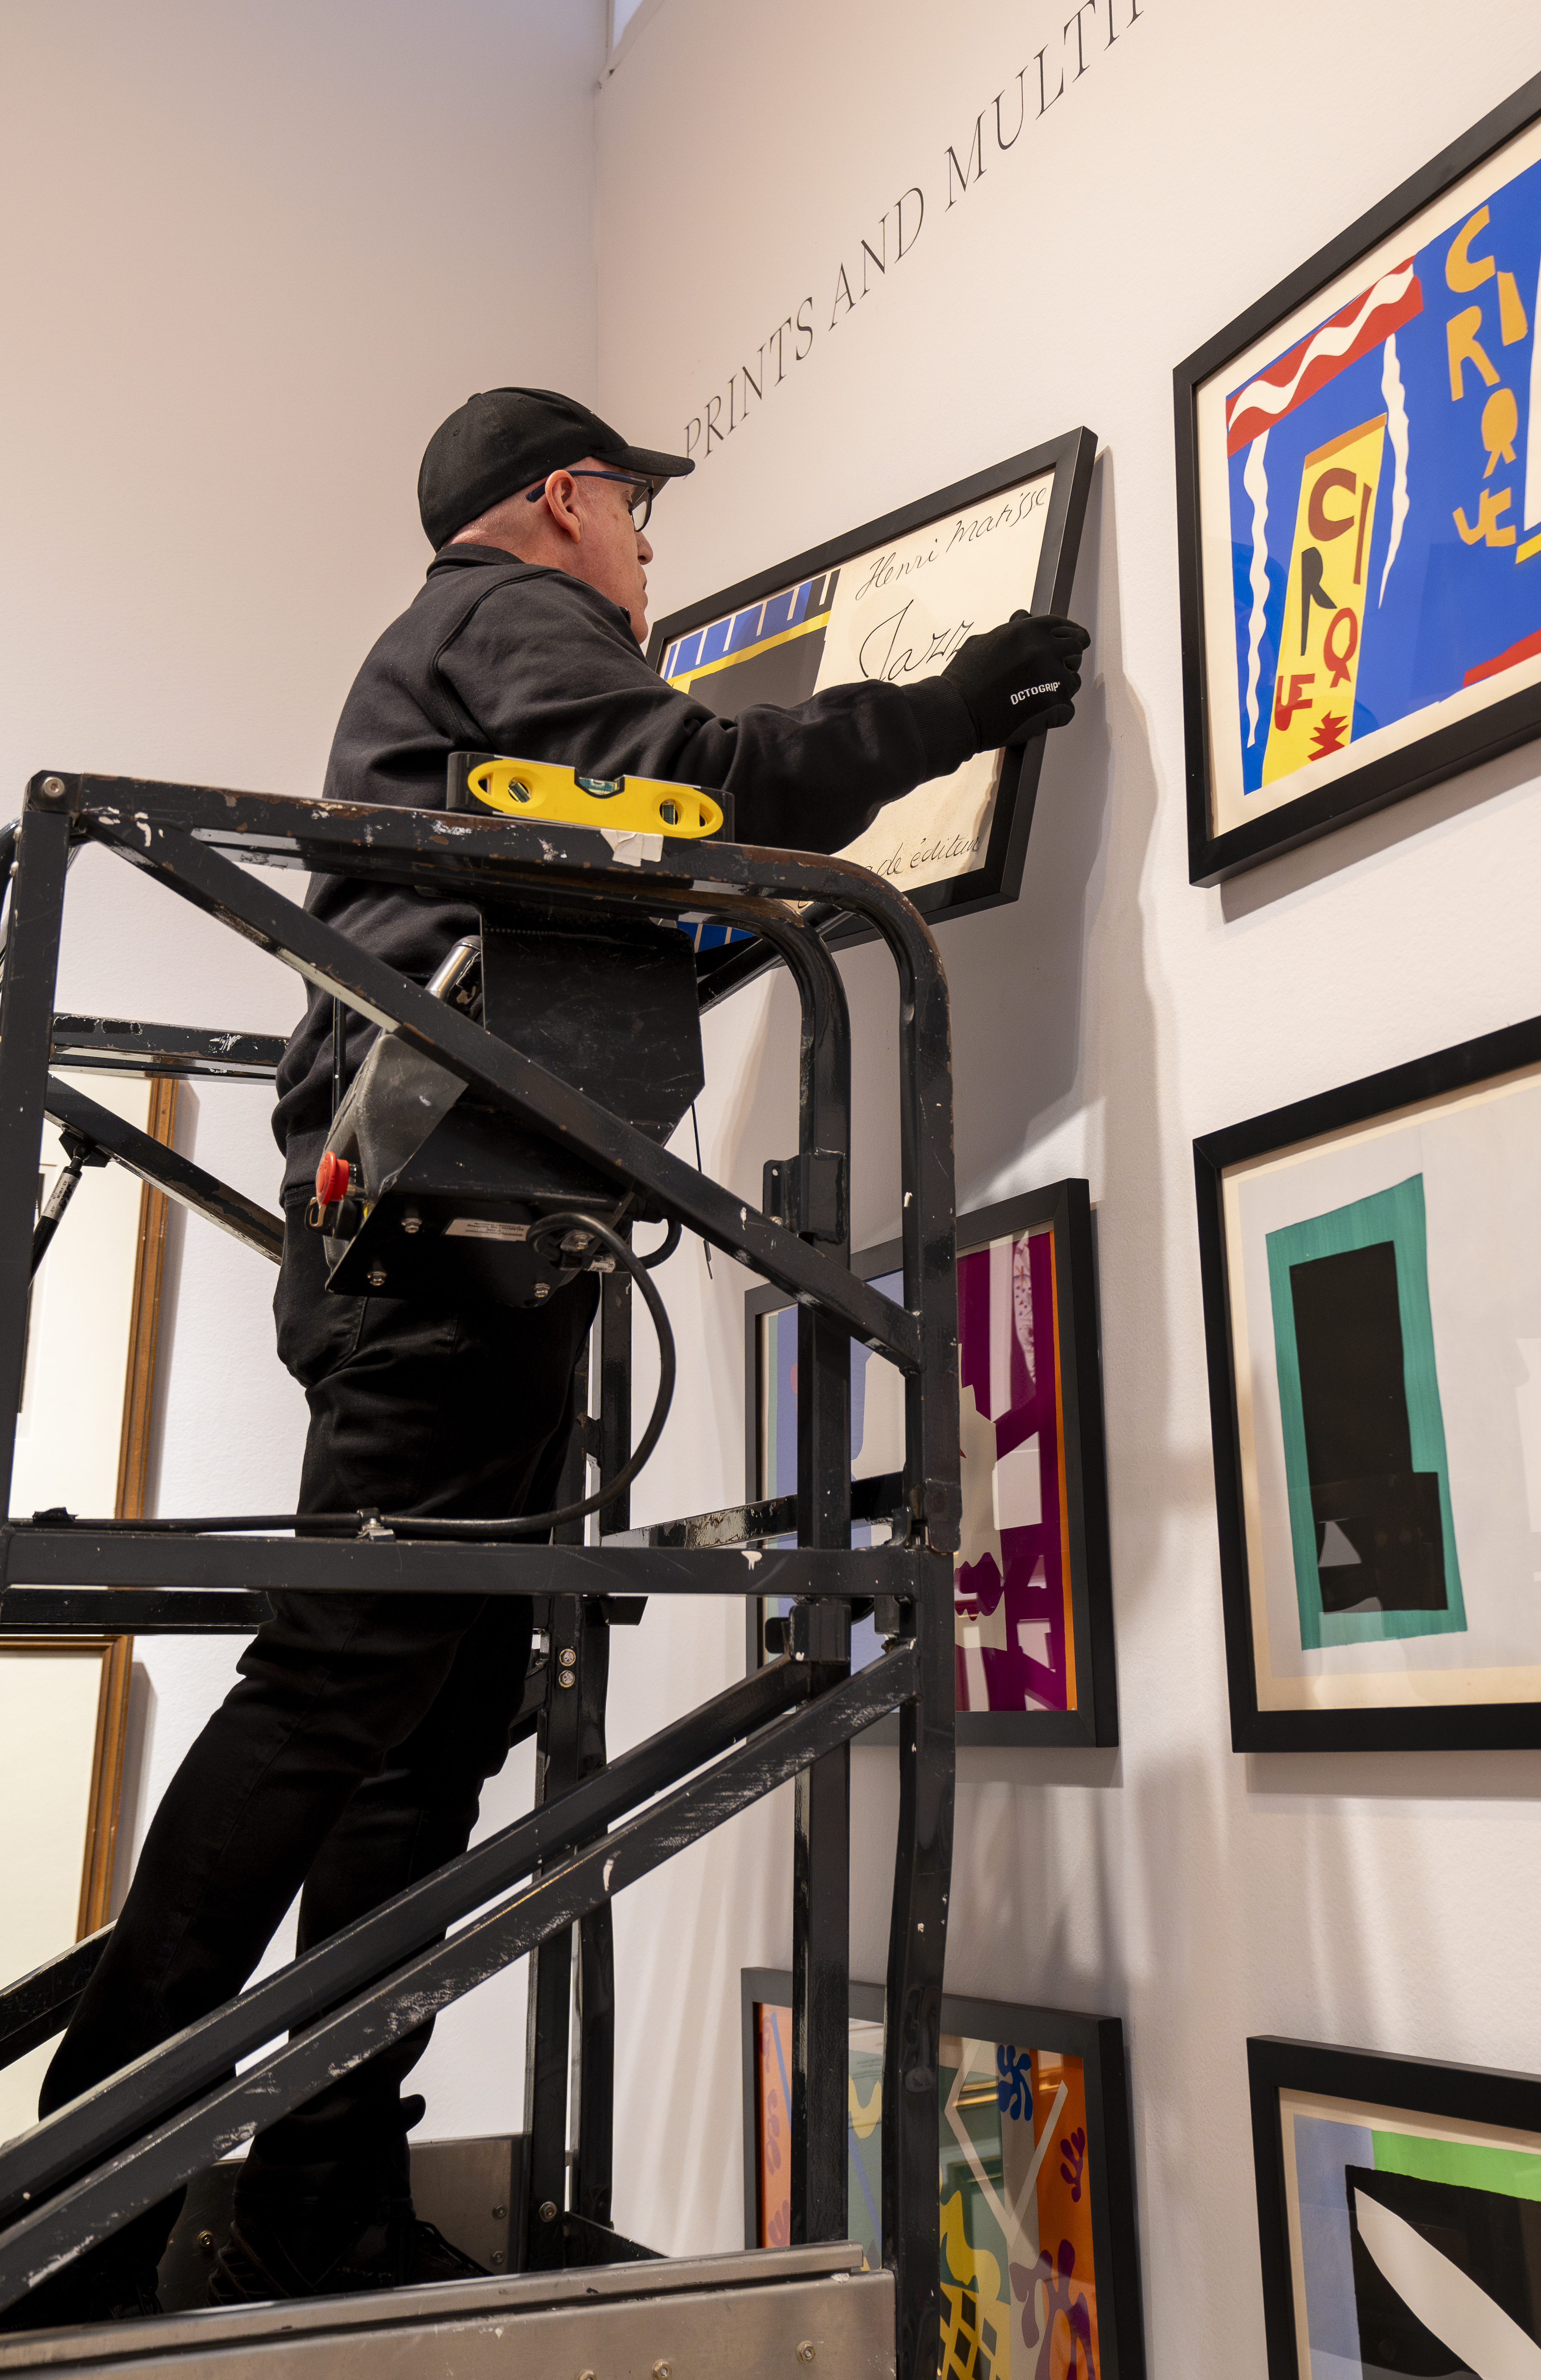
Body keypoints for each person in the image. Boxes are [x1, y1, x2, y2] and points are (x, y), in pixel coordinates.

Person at [17, 387, 1089, 2325]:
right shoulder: (515, 615)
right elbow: (699, 769)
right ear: (564, 500)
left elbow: (624, 867)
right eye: (638, 515)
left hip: (460, 1235)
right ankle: (91, 2188)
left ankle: (313, 2188)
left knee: (428, 1713)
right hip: (443, 1237)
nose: (651, 553)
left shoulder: (455, 663)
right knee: (348, 1681)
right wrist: (951, 702)